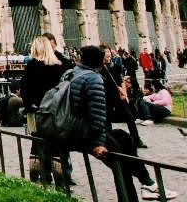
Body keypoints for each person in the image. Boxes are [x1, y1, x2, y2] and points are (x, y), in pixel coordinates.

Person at [69, 46, 175, 201]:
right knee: (120, 159)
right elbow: (97, 114)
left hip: (71, 127)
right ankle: (144, 187)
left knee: (122, 136)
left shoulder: (72, 73)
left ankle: (147, 184)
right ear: (99, 63)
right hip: (80, 132)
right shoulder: (93, 78)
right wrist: (99, 142)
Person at [20, 36, 69, 183]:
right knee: (55, 145)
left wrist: (29, 106)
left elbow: (25, 89)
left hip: (37, 111)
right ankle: (60, 179)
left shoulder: (32, 66)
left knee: (37, 144)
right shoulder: (59, 66)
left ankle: (39, 176)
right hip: (55, 112)